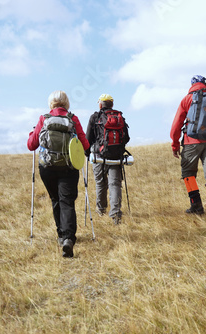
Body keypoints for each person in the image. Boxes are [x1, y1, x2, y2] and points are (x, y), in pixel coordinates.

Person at [27, 90, 90, 258]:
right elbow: (84, 144)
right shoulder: (73, 119)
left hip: (47, 167)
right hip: (68, 167)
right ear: (66, 103)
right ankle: (69, 238)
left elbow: (31, 145)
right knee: (67, 201)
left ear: (51, 104)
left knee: (56, 200)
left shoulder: (44, 119)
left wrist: (32, 134)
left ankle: (61, 235)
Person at [170, 75, 206, 223]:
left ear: (191, 85)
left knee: (188, 172)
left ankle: (196, 205)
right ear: (205, 84)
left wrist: (175, 144)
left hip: (191, 142)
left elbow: (177, 124)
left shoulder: (186, 99)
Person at [85, 94, 130, 225]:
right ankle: (115, 215)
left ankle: (101, 210)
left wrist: (88, 154)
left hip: (99, 155)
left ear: (100, 104)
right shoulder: (119, 117)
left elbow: (88, 138)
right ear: (112, 104)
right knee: (115, 184)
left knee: (100, 183)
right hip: (116, 156)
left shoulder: (95, 117)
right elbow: (126, 137)